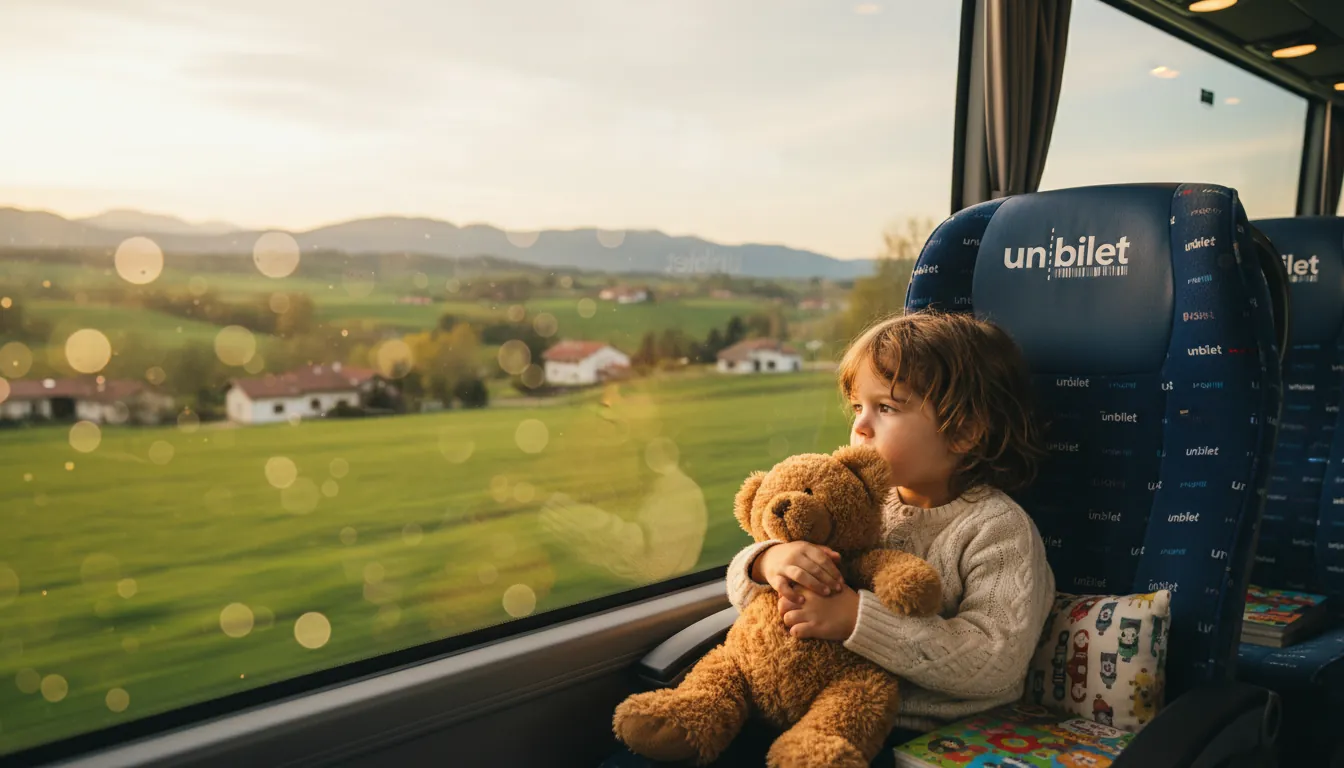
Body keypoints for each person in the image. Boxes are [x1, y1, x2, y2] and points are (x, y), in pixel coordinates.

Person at [604, 310, 1056, 767]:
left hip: (913, 736)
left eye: (887, 408)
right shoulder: (855, 501)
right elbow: (752, 601)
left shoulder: (997, 528)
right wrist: (770, 561)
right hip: (794, 703)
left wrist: (857, 619)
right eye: (858, 406)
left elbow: (996, 665)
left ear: (963, 431)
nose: (860, 426)